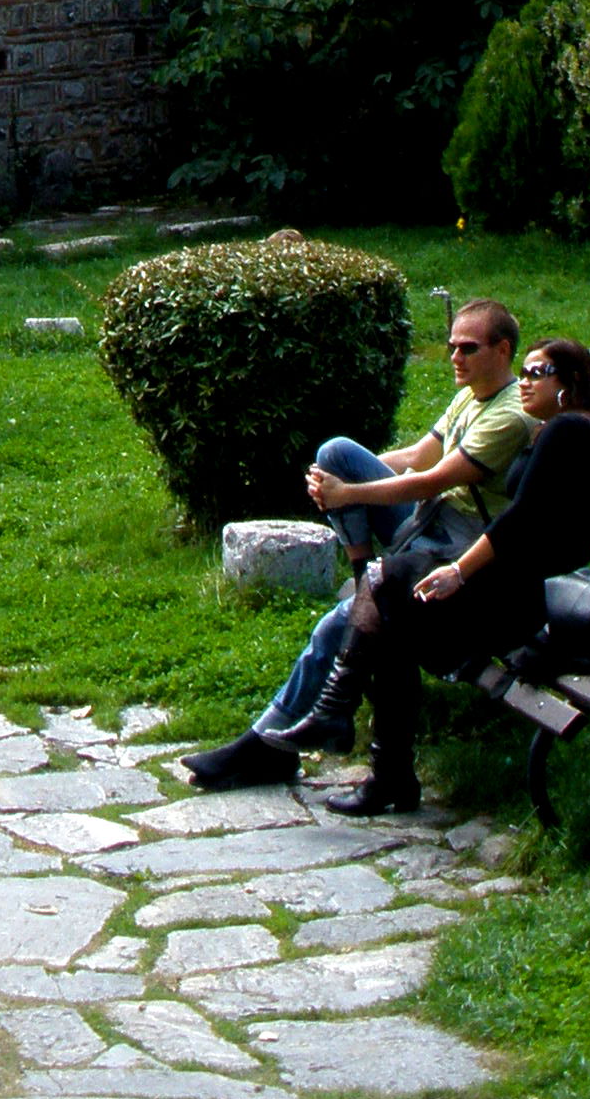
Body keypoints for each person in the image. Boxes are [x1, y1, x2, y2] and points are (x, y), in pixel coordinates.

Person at [181, 299, 533, 788]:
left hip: (463, 548)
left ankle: (265, 745)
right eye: (451, 346)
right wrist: (335, 479)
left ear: (503, 349)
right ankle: (362, 574)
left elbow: (428, 481)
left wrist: (350, 495)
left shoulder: (509, 415)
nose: (455, 357)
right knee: (337, 453)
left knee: (339, 623)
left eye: (468, 348)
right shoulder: (471, 395)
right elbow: (413, 457)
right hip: (429, 524)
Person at [321, 338, 590, 817]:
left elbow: (524, 519)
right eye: (522, 372)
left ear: (570, 383)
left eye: (537, 373)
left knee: (388, 587)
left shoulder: (567, 431)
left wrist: (458, 572)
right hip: (519, 591)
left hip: (521, 607)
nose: (524, 382)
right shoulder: (569, 430)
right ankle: (369, 751)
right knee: (392, 599)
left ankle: (359, 740)